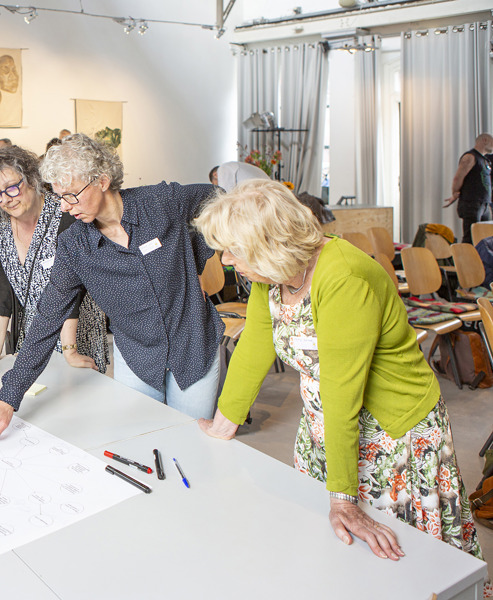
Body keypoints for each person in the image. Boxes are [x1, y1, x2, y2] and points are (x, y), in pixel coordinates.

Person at [194, 179, 488, 568]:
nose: (226, 259)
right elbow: (255, 345)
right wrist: (224, 423)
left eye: (233, 250)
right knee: (332, 554)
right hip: (327, 426)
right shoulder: (275, 274)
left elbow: (342, 391)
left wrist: (343, 500)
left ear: (269, 245)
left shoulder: (344, 276)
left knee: (401, 560)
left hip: (392, 431)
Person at [0, 134, 223, 442]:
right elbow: (47, 319)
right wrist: (6, 399)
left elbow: (220, 198)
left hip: (194, 347)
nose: (64, 207)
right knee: (141, 442)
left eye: (71, 195)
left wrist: (198, 256)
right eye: (59, 196)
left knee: (192, 442)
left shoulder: (160, 202)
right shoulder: (75, 246)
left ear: (102, 180)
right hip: (138, 357)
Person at [0, 145, 108, 372]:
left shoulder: (65, 214)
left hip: (76, 329)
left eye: (12, 188)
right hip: (34, 331)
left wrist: (70, 350)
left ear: (32, 178)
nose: (6, 199)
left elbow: (71, 286)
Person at [443, 133, 493, 244]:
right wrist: (455, 192)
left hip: (484, 203)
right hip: (472, 202)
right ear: (485, 140)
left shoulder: (485, 160)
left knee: (485, 238)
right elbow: (458, 177)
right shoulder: (470, 157)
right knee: (470, 237)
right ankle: (464, 255)